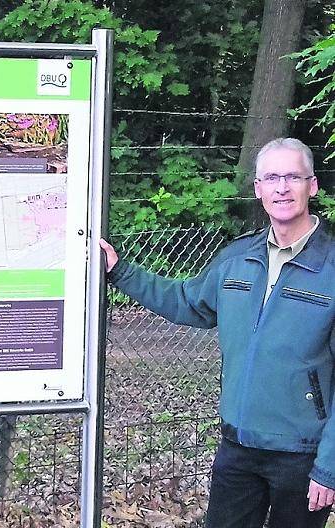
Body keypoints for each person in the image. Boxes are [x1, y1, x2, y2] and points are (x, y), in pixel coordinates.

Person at [100, 137, 335, 527]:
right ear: (257, 188)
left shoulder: (330, 269)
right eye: (271, 178)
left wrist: (328, 467)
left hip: (303, 455)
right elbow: (186, 301)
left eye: (293, 176)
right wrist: (120, 272)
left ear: (312, 185)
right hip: (238, 447)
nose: (282, 187)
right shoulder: (237, 259)